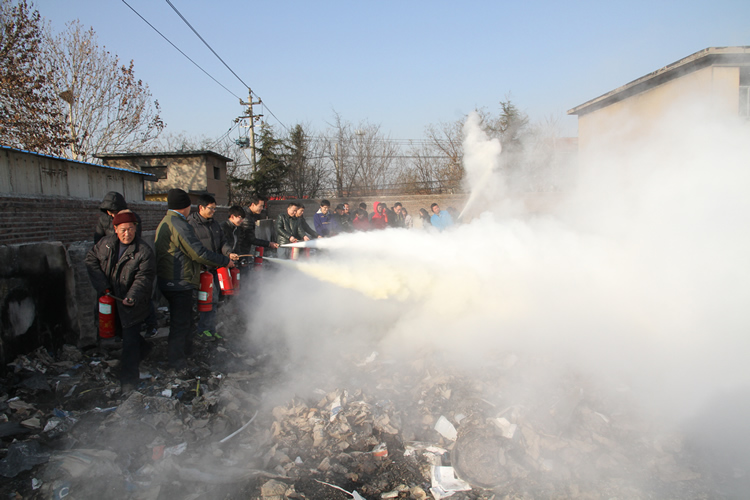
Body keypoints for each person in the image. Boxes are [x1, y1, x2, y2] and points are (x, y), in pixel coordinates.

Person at [155, 188, 233, 373]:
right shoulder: (179, 224)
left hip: (174, 279)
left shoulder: (169, 221)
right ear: (186, 206)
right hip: (178, 280)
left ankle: (187, 355)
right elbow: (198, 252)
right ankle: (177, 363)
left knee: (186, 321)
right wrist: (224, 261)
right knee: (181, 323)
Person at [85, 210, 155, 393]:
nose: (127, 233)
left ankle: (128, 382)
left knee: (130, 343)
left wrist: (132, 296)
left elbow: (144, 278)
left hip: (132, 304)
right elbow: (90, 260)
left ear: (136, 229)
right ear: (115, 229)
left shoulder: (143, 251)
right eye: (123, 229)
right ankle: (145, 349)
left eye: (131, 229)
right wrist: (103, 286)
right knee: (119, 333)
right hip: (111, 300)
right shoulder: (105, 245)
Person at [93, 191, 156, 338]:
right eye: (109, 211)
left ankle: (150, 325)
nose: (111, 214)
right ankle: (116, 332)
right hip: (111, 264)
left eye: (113, 211)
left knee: (139, 294)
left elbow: (135, 241)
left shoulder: (132, 219)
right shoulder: (103, 220)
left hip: (131, 263)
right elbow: (97, 241)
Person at [188, 194, 237, 341]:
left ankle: (210, 328)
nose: (213, 211)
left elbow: (223, 242)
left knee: (214, 300)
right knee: (206, 300)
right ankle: (202, 329)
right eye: (211, 208)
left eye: (215, 209)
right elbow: (196, 251)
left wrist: (228, 253)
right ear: (201, 208)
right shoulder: (191, 225)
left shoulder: (214, 224)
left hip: (215, 268)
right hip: (201, 270)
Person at [240, 196, 281, 261]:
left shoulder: (249, 214)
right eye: (260, 206)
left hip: (243, 250)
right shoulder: (247, 219)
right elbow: (251, 239)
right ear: (253, 204)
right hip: (241, 251)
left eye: (263, 206)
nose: (262, 208)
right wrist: (269, 244)